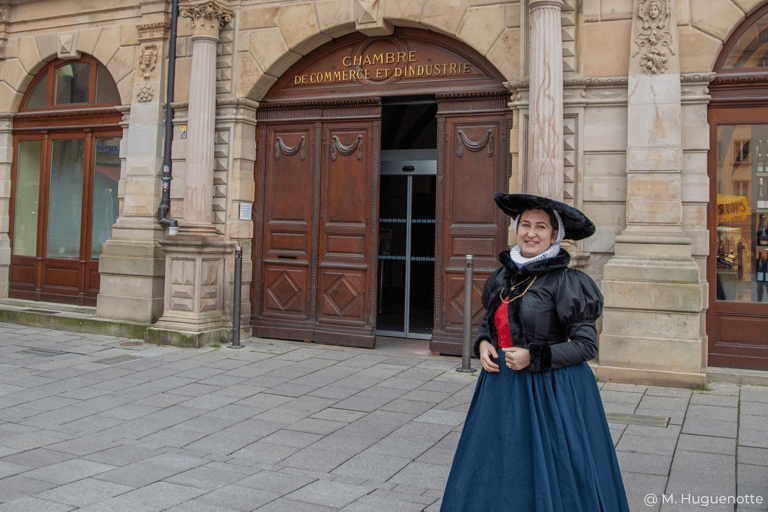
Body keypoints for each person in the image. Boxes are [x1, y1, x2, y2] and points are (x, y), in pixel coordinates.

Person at [440, 193, 630, 512]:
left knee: (551, 468)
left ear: (555, 236)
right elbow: (491, 324)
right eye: (524, 224)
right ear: (515, 229)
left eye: (541, 227)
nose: (531, 233)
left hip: (552, 393)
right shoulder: (504, 276)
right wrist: (484, 344)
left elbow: (586, 346)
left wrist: (534, 357)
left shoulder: (568, 282)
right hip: (500, 390)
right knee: (498, 463)